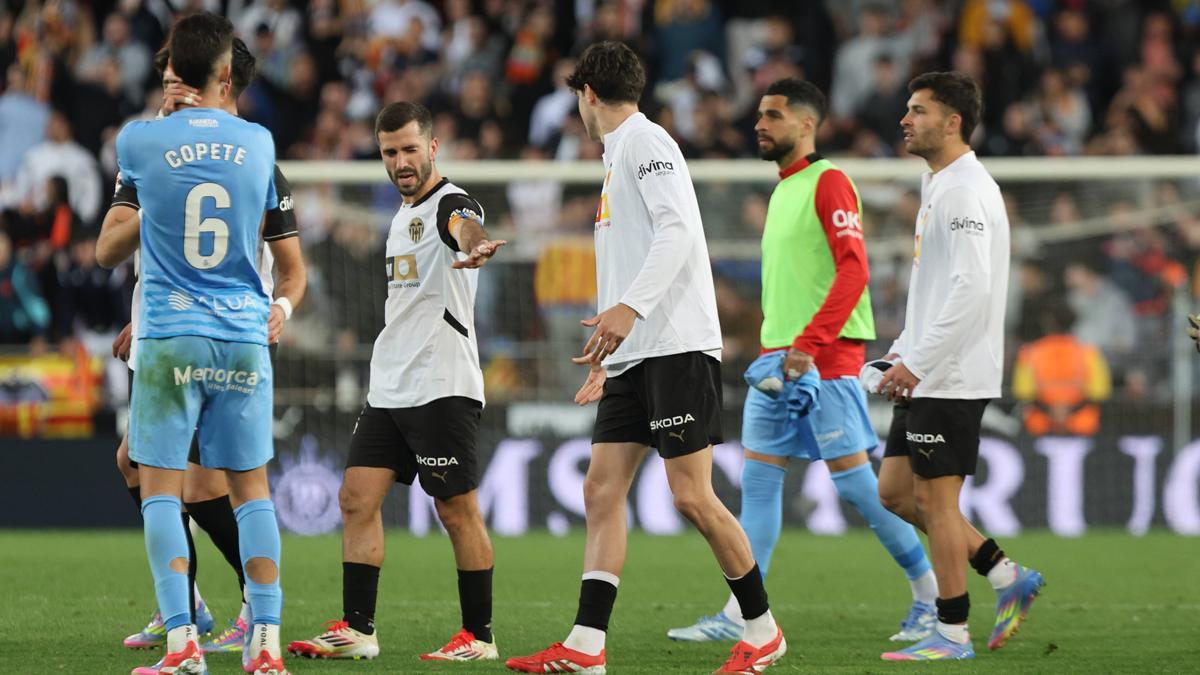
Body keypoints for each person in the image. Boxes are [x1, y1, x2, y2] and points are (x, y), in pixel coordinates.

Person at [505, 41, 786, 675]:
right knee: (601, 490)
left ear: (587, 95)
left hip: (677, 345)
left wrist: (627, 311)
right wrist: (613, 351)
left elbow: (678, 231)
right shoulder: (619, 155)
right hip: (637, 356)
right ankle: (585, 646)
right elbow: (635, 252)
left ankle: (763, 628)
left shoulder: (646, 142)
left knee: (692, 497)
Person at [667, 77, 940, 646]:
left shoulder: (830, 181)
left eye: (772, 116)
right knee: (759, 485)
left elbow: (854, 270)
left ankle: (931, 597)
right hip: (779, 360)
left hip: (825, 358)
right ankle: (743, 612)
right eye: (759, 115)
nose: (759, 124)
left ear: (807, 124)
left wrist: (808, 346)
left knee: (861, 490)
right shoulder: (782, 189)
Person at [96, 12, 289, 675]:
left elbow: (103, 250)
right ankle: (264, 643)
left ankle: (183, 642)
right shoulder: (261, 144)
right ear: (229, 73)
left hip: (174, 334)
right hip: (241, 334)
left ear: (182, 74)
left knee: (159, 486)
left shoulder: (141, 141)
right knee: (252, 489)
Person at [287, 101, 505, 662]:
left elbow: (464, 225)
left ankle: (479, 637)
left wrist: (474, 243)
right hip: (390, 383)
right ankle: (358, 630)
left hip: (442, 382)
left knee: (456, 510)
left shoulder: (449, 202)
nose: (401, 161)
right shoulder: (397, 215)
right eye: (390, 152)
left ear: (433, 147)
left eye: (410, 149)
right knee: (356, 497)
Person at [874, 71, 1045, 661]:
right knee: (896, 493)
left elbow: (971, 289)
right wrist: (900, 350)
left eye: (918, 110)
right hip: (928, 367)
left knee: (938, 504)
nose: (905, 119)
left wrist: (917, 362)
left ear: (952, 122)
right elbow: (937, 289)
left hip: (951, 374)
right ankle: (1005, 576)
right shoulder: (940, 184)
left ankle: (951, 633)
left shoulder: (964, 190)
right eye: (906, 108)